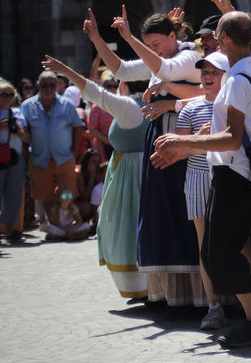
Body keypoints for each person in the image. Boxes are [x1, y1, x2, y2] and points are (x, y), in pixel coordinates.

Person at [152, 11, 251, 349]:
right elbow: (228, 130)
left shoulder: (237, 80)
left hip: (233, 172)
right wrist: (189, 143)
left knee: (221, 252)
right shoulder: (245, 72)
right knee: (218, 250)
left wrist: (183, 142)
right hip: (230, 171)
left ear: (223, 38)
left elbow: (233, 138)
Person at [87, 7, 205, 307]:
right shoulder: (159, 63)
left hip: (185, 146)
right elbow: (122, 71)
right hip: (159, 142)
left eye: (157, 44)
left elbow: (170, 73)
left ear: (172, 35)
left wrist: (128, 37)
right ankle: (165, 294)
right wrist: (98, 39)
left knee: (184, 218)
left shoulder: (190, 56)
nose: (154, 51)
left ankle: (197, 295)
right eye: (148, 45)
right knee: (159, 218)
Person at [42, 54, 148, 299]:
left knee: (124, 227)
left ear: (125, 83)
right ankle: (148, 284)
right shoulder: (153, 102)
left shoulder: (130, 106)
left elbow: (93, 92)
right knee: (134, 225)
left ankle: (139, 285)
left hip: (130, 175)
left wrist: (65, 70)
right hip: (143, 171)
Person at [175, 51, 229, 331]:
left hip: (228, 174)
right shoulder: (190, 109)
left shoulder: (233, 103)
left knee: (238, 241)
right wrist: (201, 139)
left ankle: (248, 303)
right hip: (197, 176)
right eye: (204, 73)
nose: (208, 77)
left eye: (213, 72)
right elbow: (181, 150)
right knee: (205, 242)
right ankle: (214, 305)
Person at [21, 71, 84, 228]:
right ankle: (55, 225)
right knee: (45, 195)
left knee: (68, 193)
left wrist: (74, 154)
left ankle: (68, 223)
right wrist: (26, 157)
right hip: (39, 159)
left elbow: (78, 128)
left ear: (57, 86)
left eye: (52, 85)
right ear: (38, 86)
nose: (48, 89)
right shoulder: (27, 106)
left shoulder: (67, 104)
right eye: (44, 85)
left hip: (64, 158)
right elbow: (23, 132)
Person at [0, 78, 31, 242]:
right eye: (2, 94)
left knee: (14, 196)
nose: (6, 98)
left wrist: (19, 131)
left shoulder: (18, 113)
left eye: (9, 94)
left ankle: (11, 230)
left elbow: (27, 139)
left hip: (15, 157)